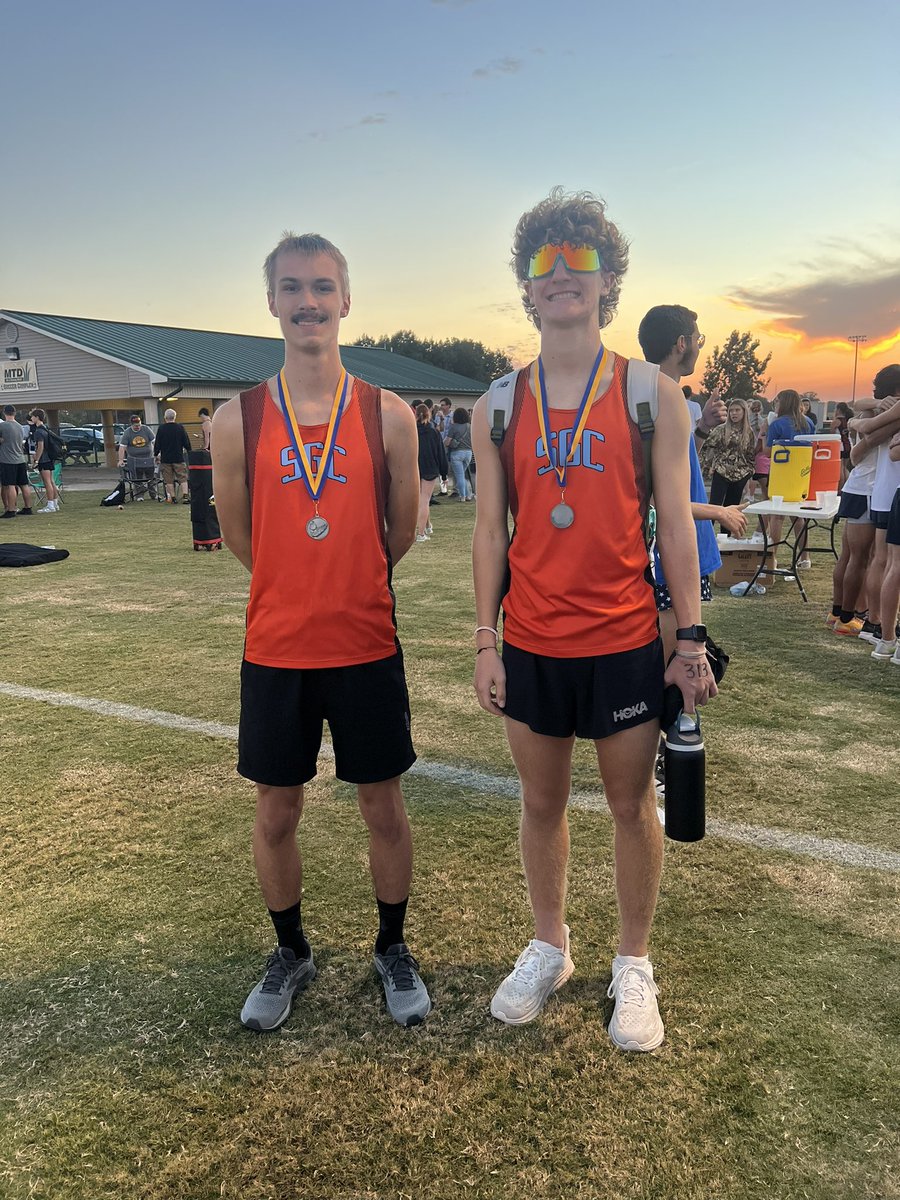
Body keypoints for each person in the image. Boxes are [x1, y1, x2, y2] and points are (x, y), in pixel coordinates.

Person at [473, 189, 716, 1051]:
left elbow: (678, 527)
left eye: (581, 261)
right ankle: (551, 945)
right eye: (545, 262)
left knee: (626, 805)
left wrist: (688, 638)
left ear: (608, 280)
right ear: (527, 286)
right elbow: (489, 530)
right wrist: (484, 638)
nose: (562, 274)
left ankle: (633, 962)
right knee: (540, 803)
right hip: (533, 642)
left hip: (622, 641)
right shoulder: (497, 402)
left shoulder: (651, 392)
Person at [211, 231, 430, 1031]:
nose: (309, 301)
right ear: (271, 300)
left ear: (346, 299)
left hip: (366, 644)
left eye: (323, 287)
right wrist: (294, 588)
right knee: (275, 812)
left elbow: (398, 532)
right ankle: (291, 952)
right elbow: (243, 538)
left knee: (385, 808)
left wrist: (346, 583)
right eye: (293, 287)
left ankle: (391, 949)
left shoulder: (391, 415)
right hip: (276, 649)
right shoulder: (234, 421)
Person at [638, 305, 747, 659]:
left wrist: (701, 432)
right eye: (698, 339)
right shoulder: (650, 402)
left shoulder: (664, 400)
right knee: (673, 658)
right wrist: (719, 511)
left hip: (682, 543)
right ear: (682, 343)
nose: (700, 346)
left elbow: (675, 470)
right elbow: (650, 497)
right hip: (666, 550)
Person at [849, 366, 900, 657]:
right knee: (884, 562)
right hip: (889, 491)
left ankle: (878, 624)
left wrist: (860, 420)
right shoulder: (890, 409)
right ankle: (878, 624)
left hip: (883, 492)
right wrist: (862, 421)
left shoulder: (880, 409)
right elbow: (865, 427)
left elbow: (862, 424)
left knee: (881, 561)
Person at [827, 397, 879, 636]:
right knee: (860, 558)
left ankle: (838, 612)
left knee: (850, 556)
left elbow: (858, 407)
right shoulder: (875, 415)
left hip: (857, 488)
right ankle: (847, 617)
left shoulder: (869, 411)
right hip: (867, 489)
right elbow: (857, 454)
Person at [766, 389, 815, 568]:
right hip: (802, 474)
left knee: (777, 517)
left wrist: (764, 433)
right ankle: (805, 557)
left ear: (783, 403)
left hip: (781, 474)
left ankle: (773, 558)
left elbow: (769, 451)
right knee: (798, 517)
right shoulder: (808, 422)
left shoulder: (777, 424)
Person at [700, 399, 756, 526]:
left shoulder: (749, 432)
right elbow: (706, 445)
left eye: (737, 410)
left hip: (740, 474)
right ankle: (708, 536)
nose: (734, 413)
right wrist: (707, 465)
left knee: (732, 507)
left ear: (744, 412)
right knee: (714, 505)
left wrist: (750, 471)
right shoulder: (721, 429)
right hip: (721, 471)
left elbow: (750, 453)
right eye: (731, 411)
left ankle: (727, 537)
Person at [415, 403, 448, 541]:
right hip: (430, 468)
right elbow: (441, 454)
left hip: (416, 467)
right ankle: (421, 533)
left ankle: (427, 526)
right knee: (424, 500)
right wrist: (444, 474)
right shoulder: (434, 432)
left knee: (422, 499)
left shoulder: (412, 431)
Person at [0, 404, 34, 518]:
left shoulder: (3, 426)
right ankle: (28, 507)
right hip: (20, 459)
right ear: (14, 413)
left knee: (10, 485)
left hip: (7, 460)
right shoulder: (20, 427)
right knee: (24, 485)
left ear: (4, 413)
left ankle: (11, 509)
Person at [153, 408, 192, 504]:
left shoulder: (161, 428)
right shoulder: (180, 427)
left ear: (165, 418)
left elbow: (157, 443)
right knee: (182, 477)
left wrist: (156, 454)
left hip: (166, 459)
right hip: (178, 457)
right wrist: (189, 451)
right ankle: (185, 496)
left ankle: (173, 497)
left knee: (168, 479)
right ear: (175, 417)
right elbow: (186, 441)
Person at [27, 408, 61, 513]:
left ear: (37, 417)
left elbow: (40, 447)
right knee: (51, 481)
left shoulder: (39, 432)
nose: (31, 418)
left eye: (32, 416)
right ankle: (55, 504)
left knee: (47, 483)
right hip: (50, 458)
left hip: (44, 460)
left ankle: (50, 505)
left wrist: (36, 460)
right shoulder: (45, 429)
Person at [118, 413, 158, 499]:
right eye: (135, 426)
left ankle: (153, 494)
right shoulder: (127, 433)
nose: (138, 427)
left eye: (139, 425)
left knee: (151, 477)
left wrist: (157, 454)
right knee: (137, 478)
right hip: (134, 460)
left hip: (148, 459)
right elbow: (122, 447)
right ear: (131, 425)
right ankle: (139, 495)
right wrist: (121, 460)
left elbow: (155, 442)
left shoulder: (146, 429)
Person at [444, 406, 474, 502]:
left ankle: (463, 497)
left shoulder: (454, 427)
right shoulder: (470, 426)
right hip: (468, 453)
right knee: (462, 475)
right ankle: (469, 495)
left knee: (459, 476)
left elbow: (447, 442)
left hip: (457, 453)